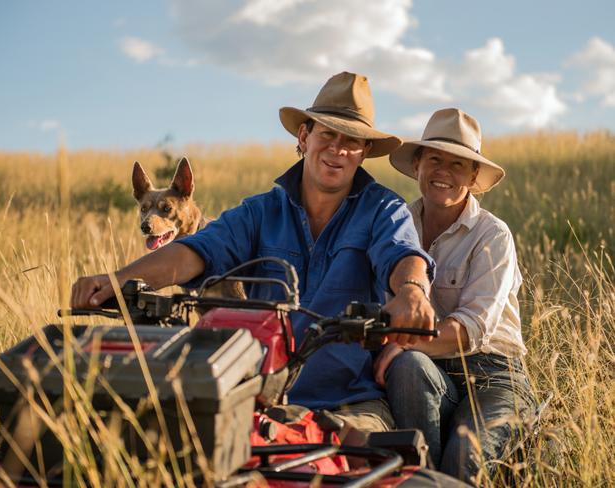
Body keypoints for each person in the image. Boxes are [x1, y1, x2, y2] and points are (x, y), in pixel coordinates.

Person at [71, 72, 436, 436]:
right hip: (254, 399)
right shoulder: (259, 212)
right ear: (304, 137)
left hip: (350, 404)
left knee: (349, 459)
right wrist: (116, 281)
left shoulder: (383, 208)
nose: (338, 149)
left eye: (352, 140)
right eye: (327, 134)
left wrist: (412, 292)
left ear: (365, 151)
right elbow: (193, 252)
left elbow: (403, 255)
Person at [374, 108, 535, 483]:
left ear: (473, 176)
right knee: (408, 369)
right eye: (434, 159)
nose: (443, 172)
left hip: (495, 374)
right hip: (429, 371)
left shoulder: (492, 235)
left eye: (458, 164)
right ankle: (423, 478)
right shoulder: (397, 228)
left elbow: (473, 329)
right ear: (417, 165)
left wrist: (404, 342)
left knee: (465, 452)